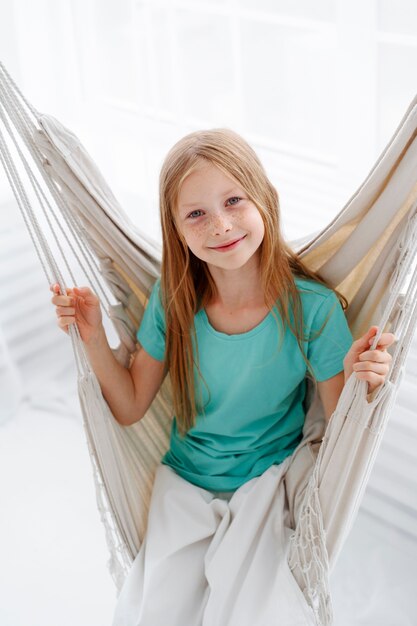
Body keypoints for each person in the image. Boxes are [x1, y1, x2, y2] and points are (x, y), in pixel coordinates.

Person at [50, 128, 395, 626]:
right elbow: (127, 407)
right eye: (196, 213)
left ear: (265, 201)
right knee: (153, 613)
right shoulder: (172, 304)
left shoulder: (312, 310)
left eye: (234, 200)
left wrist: (369, 381)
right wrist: (92, 337)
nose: (221, 224)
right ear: (177, 231)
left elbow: (342, 427)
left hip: (267, 482)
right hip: (184, 484)